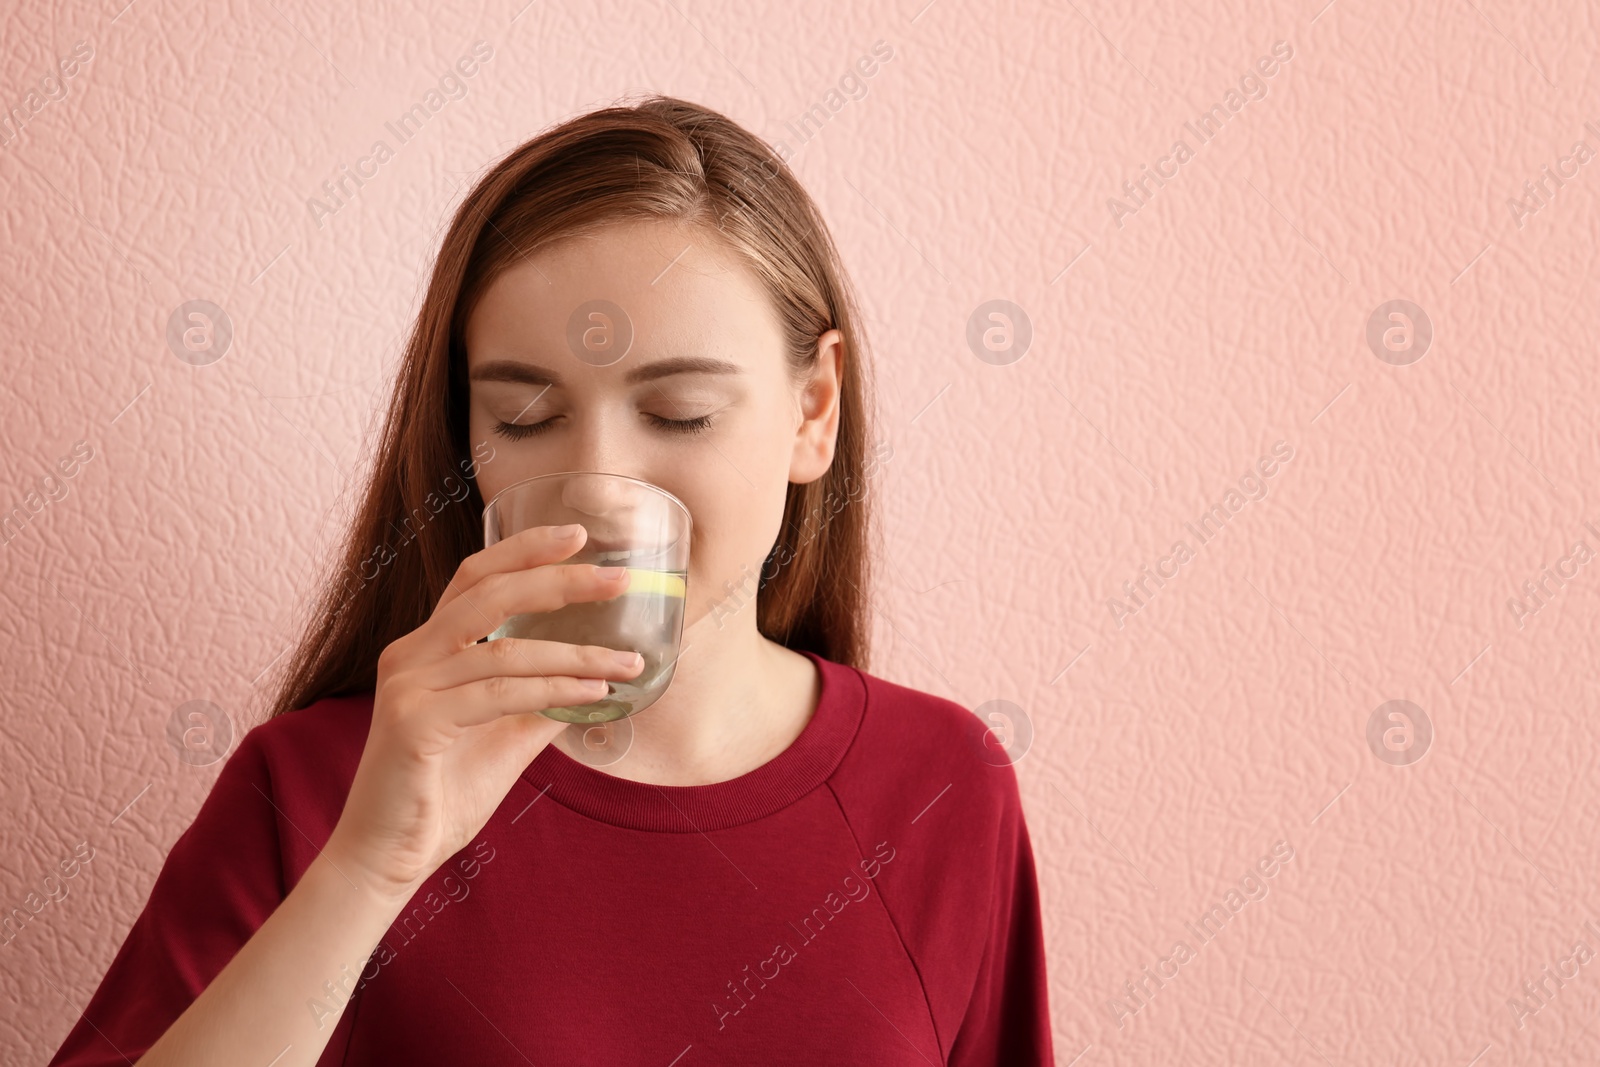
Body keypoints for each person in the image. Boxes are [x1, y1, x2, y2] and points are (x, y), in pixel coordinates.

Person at [47, 95, 1053, 1066]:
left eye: (680, 411)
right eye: (525, 416)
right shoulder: (319, 786)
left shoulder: (943, 786)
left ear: (813, 409)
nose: (605, 488)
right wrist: (367, 868)